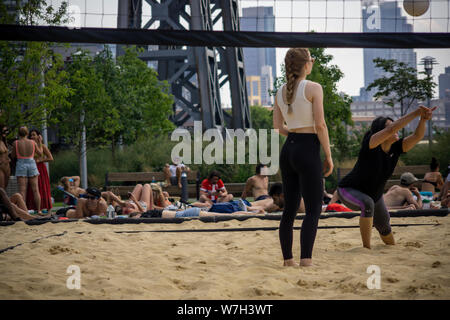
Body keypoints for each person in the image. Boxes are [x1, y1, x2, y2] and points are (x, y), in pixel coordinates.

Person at [337, 105, 437, 249]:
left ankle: (392, 247)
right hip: (348, 190)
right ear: (380, 132)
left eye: (395, 125)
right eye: (391, 126)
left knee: (385, 228)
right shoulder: (371, 144)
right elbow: (390, 130)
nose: (395, 129)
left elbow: (417, 136)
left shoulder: (396, 148)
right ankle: (366, 248)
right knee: (367, 203)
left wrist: (422, 120)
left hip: (375, 196)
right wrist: (416, 112)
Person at [273, 48, 333, 267]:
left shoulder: (280, 91)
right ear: (306, 64)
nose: (313, 62)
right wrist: (328, 154)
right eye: (311, 59)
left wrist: (295, 137)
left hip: (288, 149)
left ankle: (288, 261)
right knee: (313, 208)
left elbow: (278, 127)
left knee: (289, 209)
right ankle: (306, 261)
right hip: (308, 149)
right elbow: (320, 125)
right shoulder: (313, 88)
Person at [11, 126, 43, 215]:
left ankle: (24, 211)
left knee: (22, 190)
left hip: (21, 164)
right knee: (35, 189)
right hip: (31, 163)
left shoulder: (16, 143)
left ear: (18, 133)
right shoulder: (33, 142)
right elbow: (40, 153)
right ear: (27, 133)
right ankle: (39, 210)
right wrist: (40, 142)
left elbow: (13, 156)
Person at [26, 129, 53, 212]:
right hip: (31, 167)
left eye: (34, 135)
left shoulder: (43, 146)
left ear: (38, 136)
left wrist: (40, 160)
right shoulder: (29, 146)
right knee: (31, 188)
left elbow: (50, 158)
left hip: (40, 168)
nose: (32, 136)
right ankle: (32, 207)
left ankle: (44, 206)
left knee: (42, 187)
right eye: (31, 135)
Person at [0, 124, 10, 189]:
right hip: (0, 167)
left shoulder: (3, 141)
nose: (5, 132)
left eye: (6, 131)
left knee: (5, 188)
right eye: (4, 131)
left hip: (7, 167)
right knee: (1, 188)